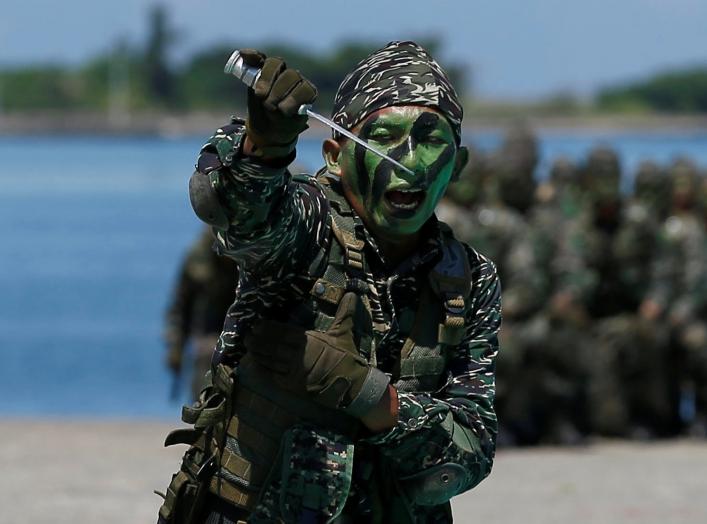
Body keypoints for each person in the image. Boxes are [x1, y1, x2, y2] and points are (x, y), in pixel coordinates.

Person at [157, 41, 501, 524]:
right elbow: (242, 216)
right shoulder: (308, 227)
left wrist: (367, 394)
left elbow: (470, 452)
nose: (409, 160)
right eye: (384, 136)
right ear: (336, 156)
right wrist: (264, 145)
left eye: (430, 140)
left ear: (457, 167)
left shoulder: (468, 278)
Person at [164, 227, 239, 401]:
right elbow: (180, 306)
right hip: (207, 345)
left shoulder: (249, 252)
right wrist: (176, 347)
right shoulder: (197, 257)